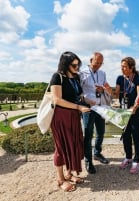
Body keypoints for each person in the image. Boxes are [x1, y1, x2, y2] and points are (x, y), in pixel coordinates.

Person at [49, 51, 90, 192]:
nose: (77, 68)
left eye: (78, 65)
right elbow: (57, 99)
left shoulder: (76, 77)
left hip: (73, 116)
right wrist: (78, 106)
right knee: (61, 147)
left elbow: (78, 96)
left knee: (73, 145)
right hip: (61, 117)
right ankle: (60, 180)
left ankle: (69, 173)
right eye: (74, 65)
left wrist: (87, 102)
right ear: (65, 64)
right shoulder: (57, 77)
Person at [79, 52, 112, 174]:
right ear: (91, 60)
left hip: (100, 107)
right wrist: (86, 99)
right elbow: (78, 92)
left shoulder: (102, 73)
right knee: (88, 134)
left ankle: (97, 153)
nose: (98, 65)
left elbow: (108, 89)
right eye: (96, 62)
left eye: (100, 63)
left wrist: (102, 89)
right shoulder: (82, 73)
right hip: (88, 108)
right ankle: (88, 161)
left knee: (101, 132)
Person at [114, 57, 139, 174]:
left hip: (135, 112)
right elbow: (116, 94)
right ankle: (128, 157)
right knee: (126, 135)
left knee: (136, 136)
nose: (122, 69)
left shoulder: (138, 78)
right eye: (121, 66)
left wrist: (135, 107)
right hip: (124, 112)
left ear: (132, 68)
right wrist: (107, 90)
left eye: (125, 66)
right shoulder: (119, 78)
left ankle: (137, 160)